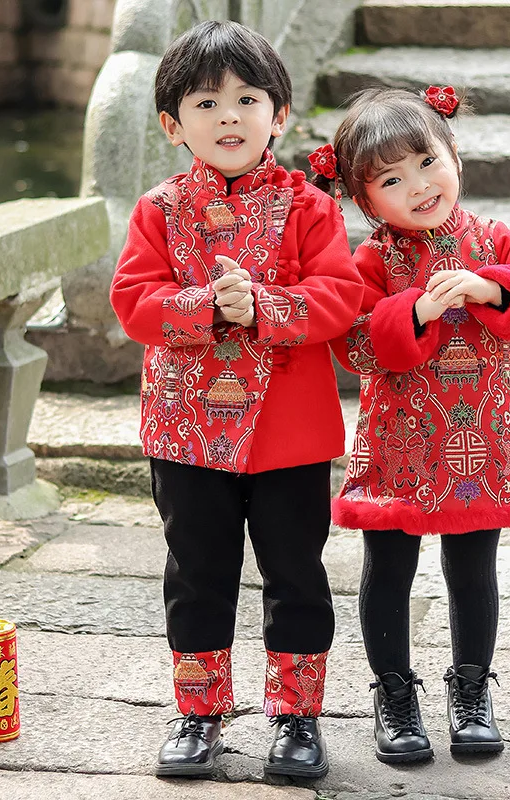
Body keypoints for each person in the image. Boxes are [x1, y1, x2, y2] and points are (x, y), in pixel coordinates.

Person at [110, 20, 363, 779]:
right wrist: (208, 308)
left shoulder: (311, 208)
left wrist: (265, 307)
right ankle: (198, 713)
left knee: (297, 575)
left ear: (279, 116)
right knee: (196, 574)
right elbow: (132, 302)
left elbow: (340, 296)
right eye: (206, 101)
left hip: (290, 432)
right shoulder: (158, 209)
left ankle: (297, 718)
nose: (229, 115)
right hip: (186, 431)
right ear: (171, 124)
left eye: (248, 98)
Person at [309, 86, 510, 764]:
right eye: (392, 180)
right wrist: (417, 314)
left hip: (479, 440)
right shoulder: (370, 261)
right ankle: (394, 693)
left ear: (453, 154)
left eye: (427, 162)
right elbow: (356, 344)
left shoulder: (495, 240)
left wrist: (494, 287)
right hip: (401, 440)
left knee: (473, 566)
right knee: (389, 564)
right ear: (367, 202)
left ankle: (471, 689)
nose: (418, 186)